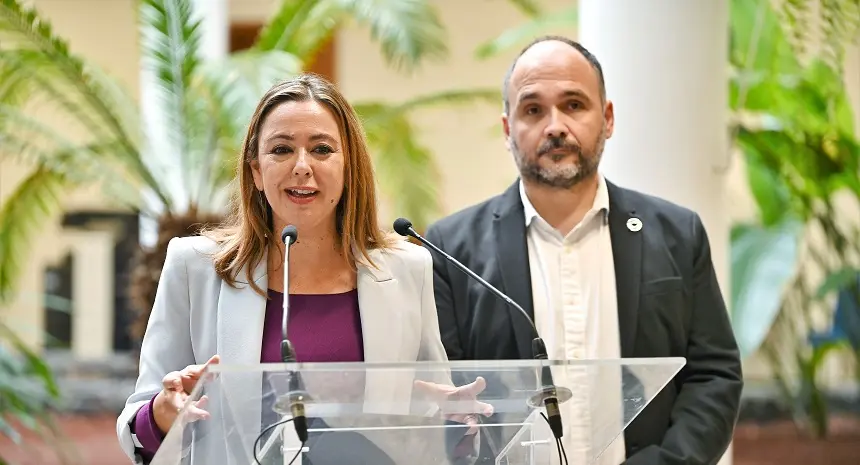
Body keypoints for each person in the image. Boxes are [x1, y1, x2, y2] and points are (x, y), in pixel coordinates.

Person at [116, 74, 489, 465]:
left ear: (349, 168)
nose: (302, 167)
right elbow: (138, 431)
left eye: (322, 149)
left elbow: (436, 418)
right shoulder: (195, 268)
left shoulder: (406, 270)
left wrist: (457, 424)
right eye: (281, 149)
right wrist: (162, 413)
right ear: (256, 171)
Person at [425, 36, 743, 465]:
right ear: (507, 129)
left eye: (574, 104)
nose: (555, 126)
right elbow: (445, 395)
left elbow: (713, 375)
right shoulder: (451, 249)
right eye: (533, 110)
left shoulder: (676, 234)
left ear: (607, 118)